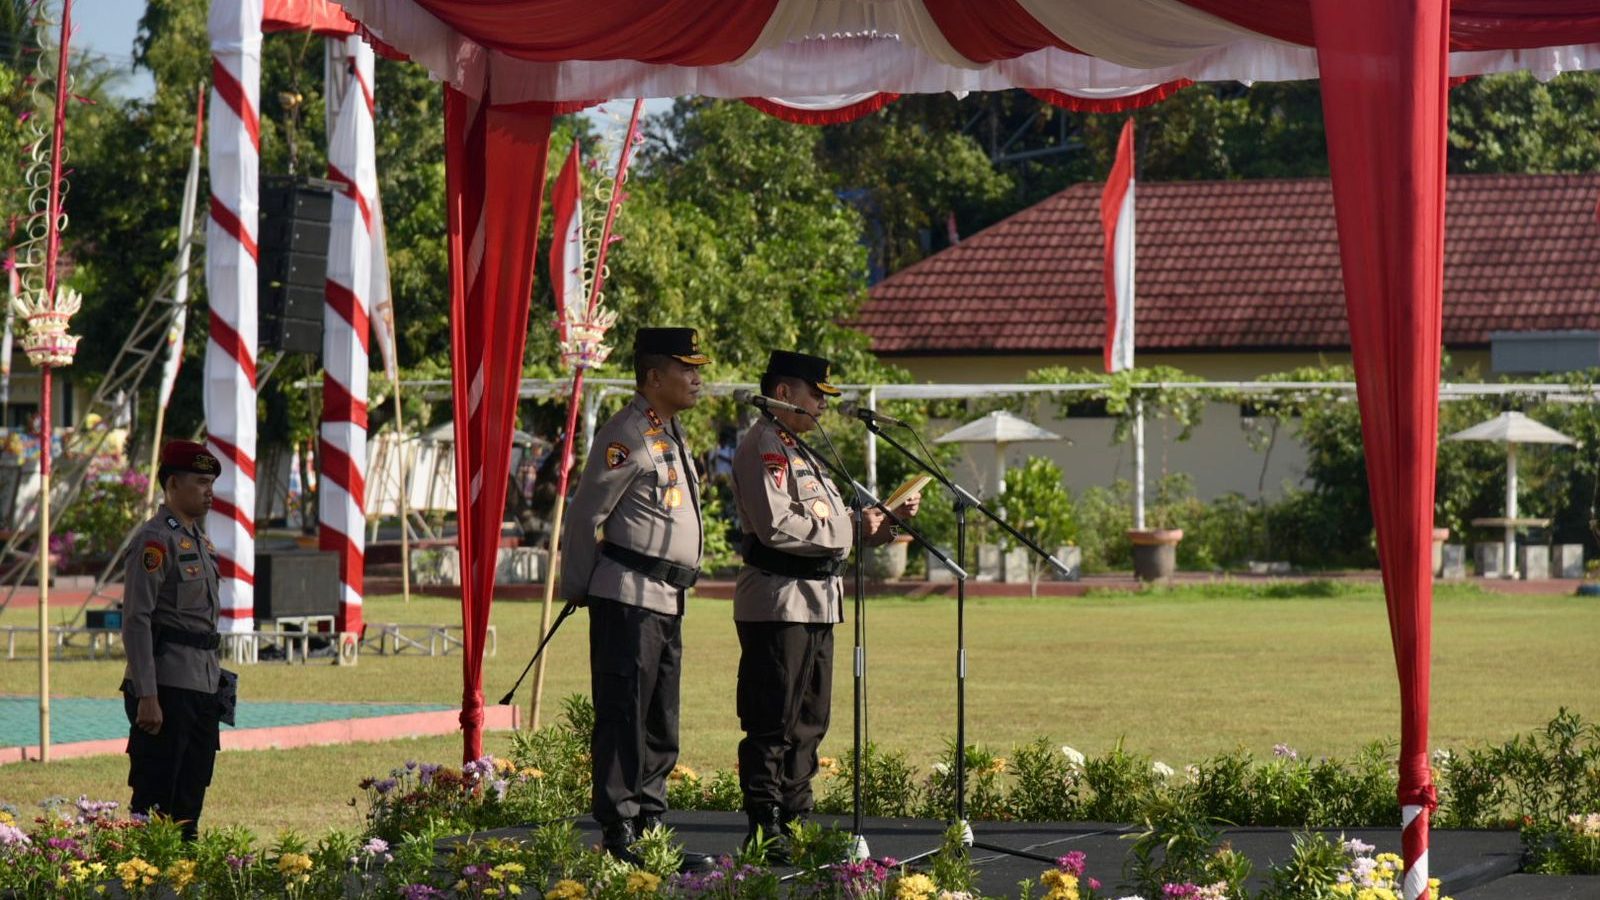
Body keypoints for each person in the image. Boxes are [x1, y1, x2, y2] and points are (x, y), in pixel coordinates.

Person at [730, 350, 921, 860]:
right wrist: (857, 527)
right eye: (816, 395)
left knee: (810, 721)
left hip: (817, 601)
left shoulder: (803, 451)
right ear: (784, 392)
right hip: (778, 600)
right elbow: (779, 526)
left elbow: (834, 529)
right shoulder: (765, 447)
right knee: (773, 720)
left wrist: (883, 521)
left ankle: (797, 819)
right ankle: (766, 826)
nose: (822, 405)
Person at [559, 327, 713, 869]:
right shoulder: (627, 433)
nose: (697, 377)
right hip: (627, 596)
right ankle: (619, 832)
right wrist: (577, 585)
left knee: (659, 721)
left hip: (666, 599)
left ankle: (651, 830)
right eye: (686, 368)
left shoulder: (667, 431)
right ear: (653, 377)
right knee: (624, 715)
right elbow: (585, 515)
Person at [120, 440, 225, 842]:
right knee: (154, 803)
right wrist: (147, 693)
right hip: (165, 687)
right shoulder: (154, 540)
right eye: (200, 481)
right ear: (173, 484)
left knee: (190, 803)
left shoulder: (202, 542)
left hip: (203, 685)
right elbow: (136, 619)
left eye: (211, 482)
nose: (209, 490)